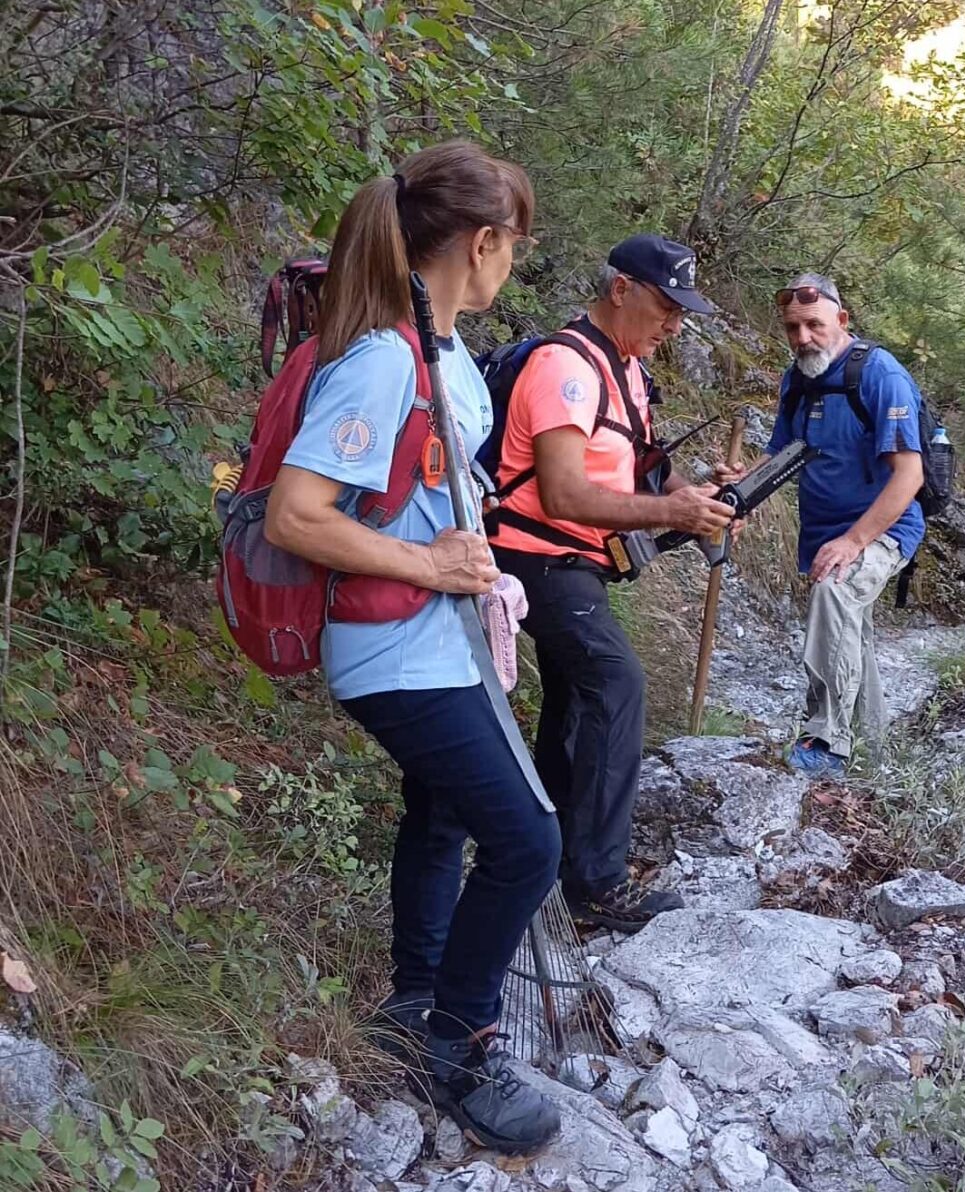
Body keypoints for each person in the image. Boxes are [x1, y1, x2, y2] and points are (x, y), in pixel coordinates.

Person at [264, 141, 562, 1154]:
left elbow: (432, 488)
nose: (511, 262)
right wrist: (430, 566)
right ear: (481, 243)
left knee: (442, 817)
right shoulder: (385, 358)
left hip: (437, 639)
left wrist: (473, 564)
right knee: (528, 839)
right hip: (393, 649)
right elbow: (296, 517)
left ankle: (416, 996)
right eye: (512, 245)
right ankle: (461, 1043)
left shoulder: (436, 352)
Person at [488, 234, 733, 933]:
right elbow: (564, 493)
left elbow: (640, 469)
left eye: (682, 313)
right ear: (621, 288)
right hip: (534, 559)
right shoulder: (565, 366)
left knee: (575, 703)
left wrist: (700, 499)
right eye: (666, 306)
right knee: (616, 684)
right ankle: (598, 879)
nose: (674, 325)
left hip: (576, 565)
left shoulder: (624, 369)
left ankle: (556, 860)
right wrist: (671, 511)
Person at [719, 273, 924, 775]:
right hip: (825, 532)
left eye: (814, 324)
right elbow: (781, 457)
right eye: (793, 328)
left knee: (835, 591)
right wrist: (740, 493)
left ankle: (827, 741)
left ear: (842, 320)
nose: (803, 337)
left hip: (883, 531)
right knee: (851, 630)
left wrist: (855, 542)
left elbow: (909, 475)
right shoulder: (798, 378)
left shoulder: (880, 375)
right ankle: (876, 755)